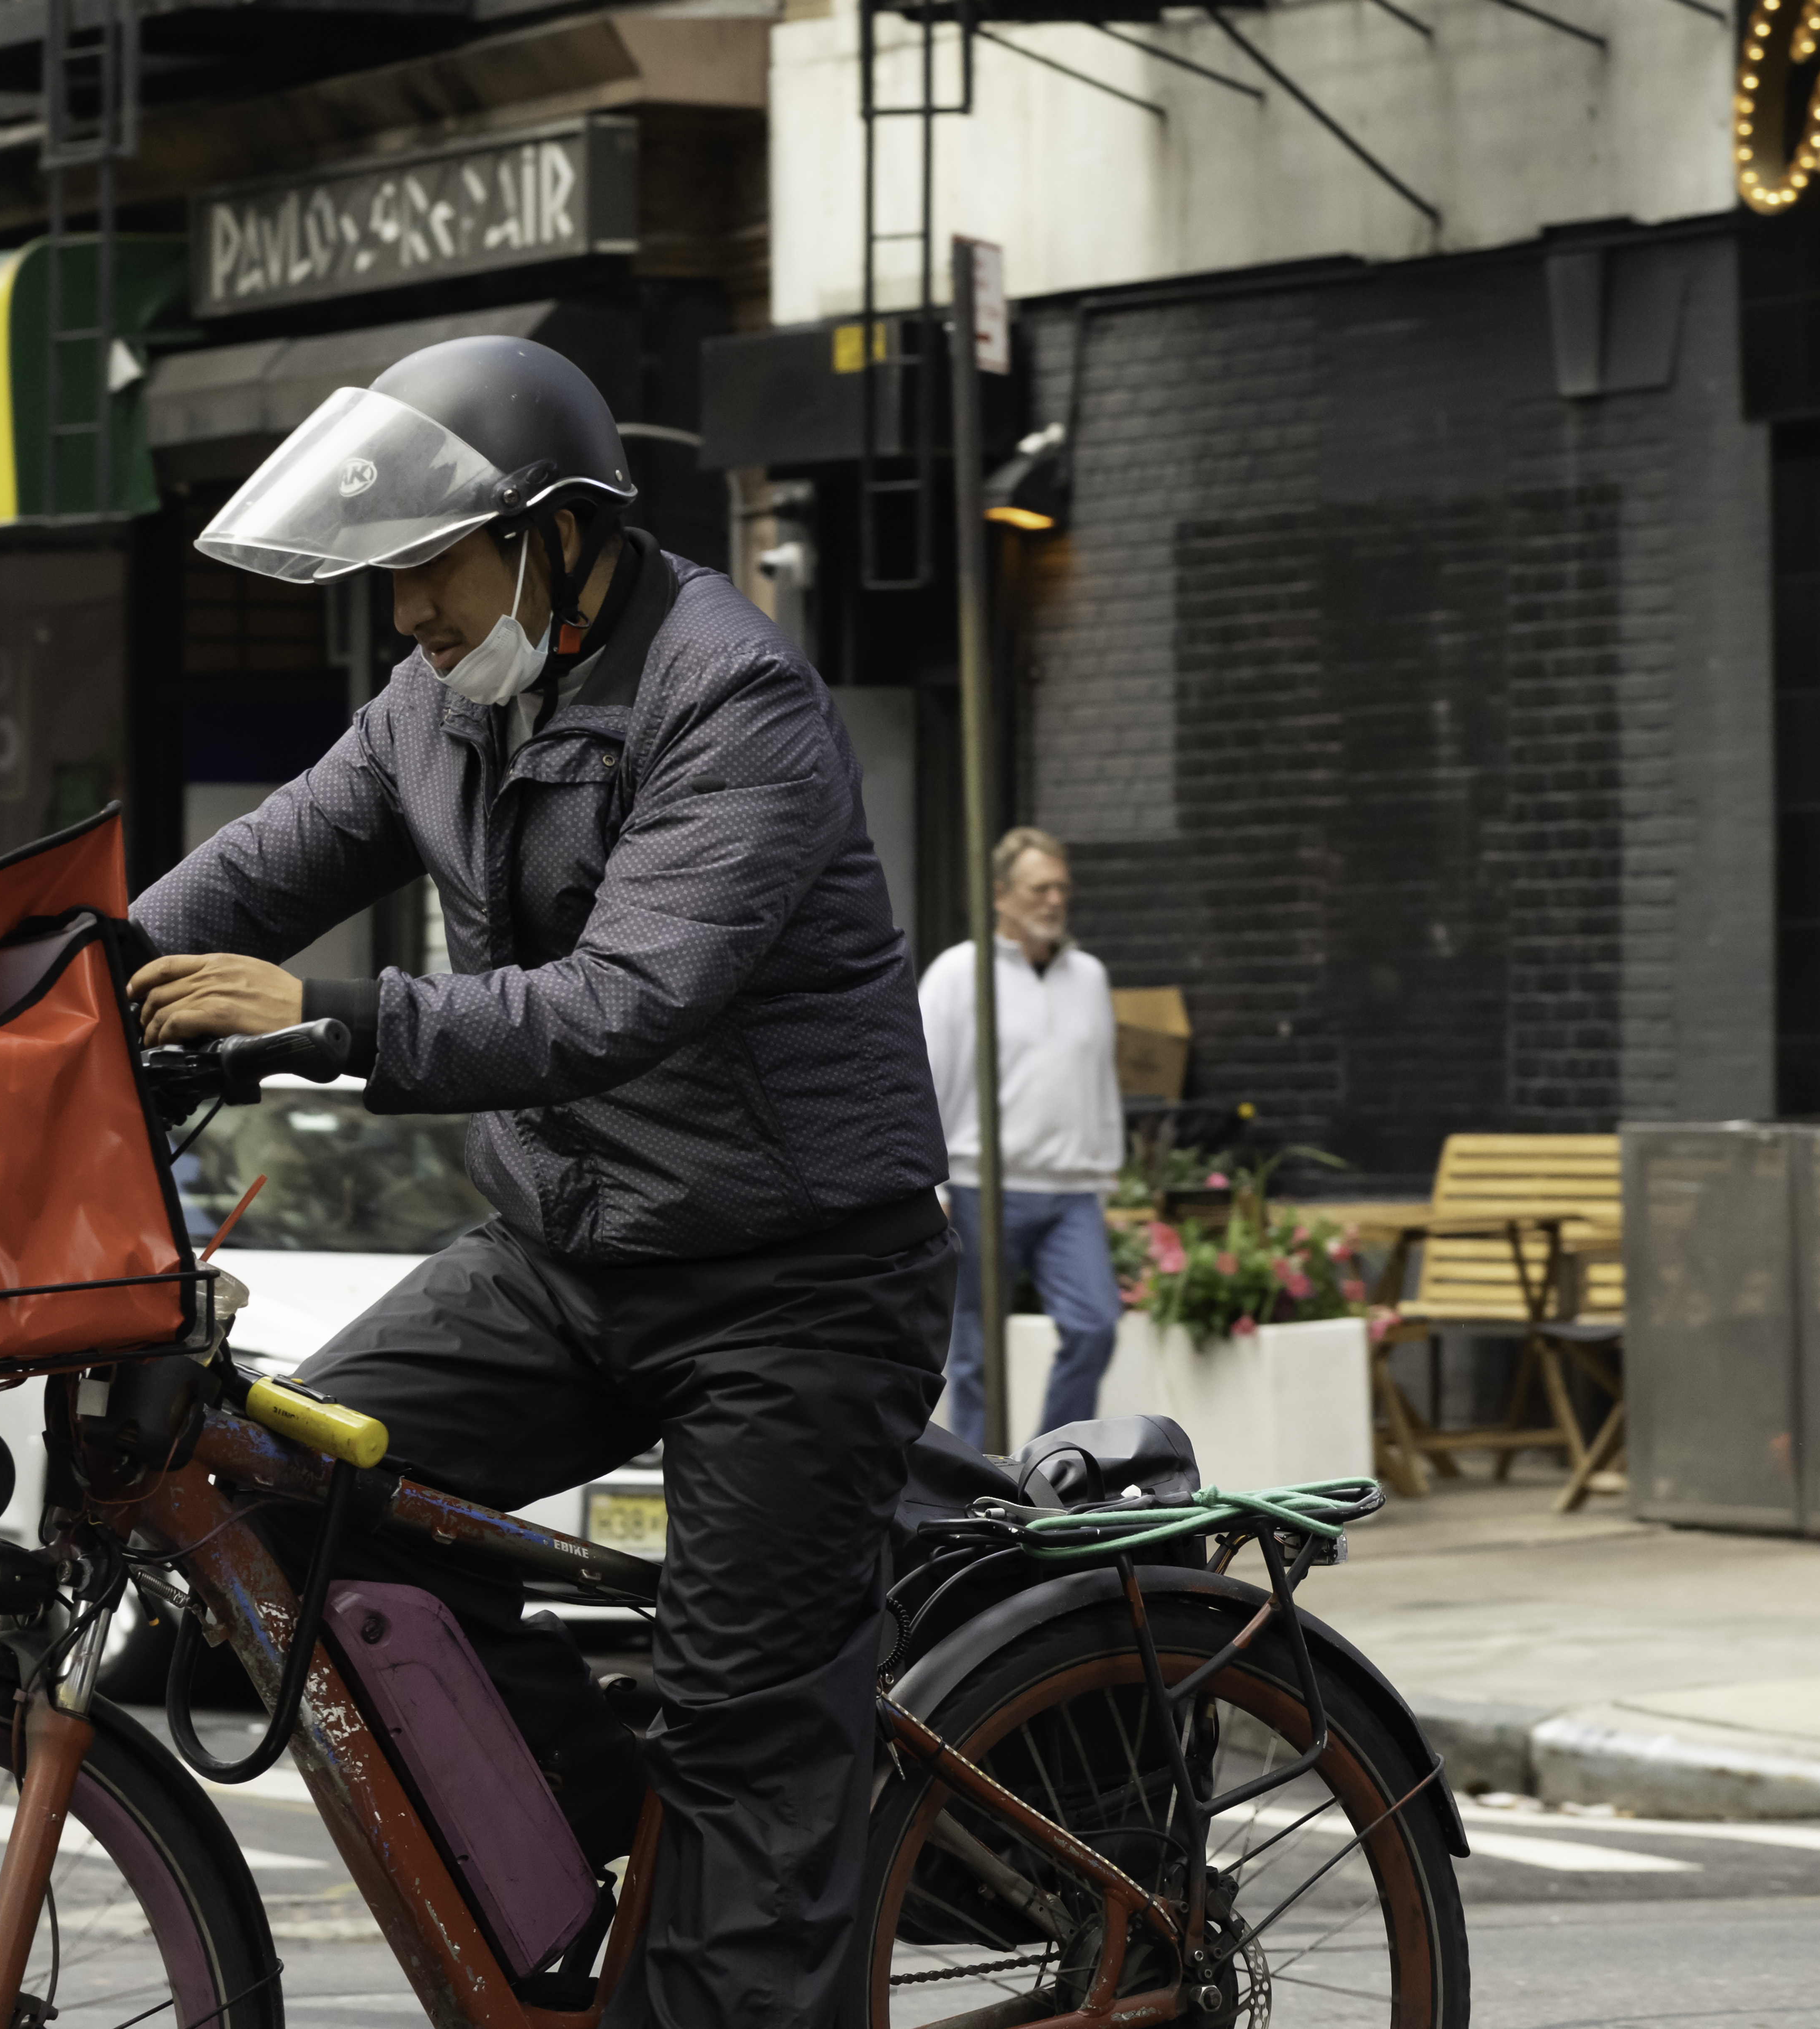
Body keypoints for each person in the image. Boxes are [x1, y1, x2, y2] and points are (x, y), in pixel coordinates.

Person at [129, 336, 953, 2029]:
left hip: (796, 1282)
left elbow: (620, 1003)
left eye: (429, 570)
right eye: (391, 582)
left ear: (556, 534)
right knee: (286, 1509)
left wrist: (334, 1019)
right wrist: (6, 986)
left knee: (744, 1736)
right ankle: (637, 1826)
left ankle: (728, 1861)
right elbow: (244, 878)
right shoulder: (436, 707)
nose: (408, 616)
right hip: (566, 1252)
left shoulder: (730, 698)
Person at [919, 826, 1125, 1446]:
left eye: (1063, 888)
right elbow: (923, 1079)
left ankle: (1052, 1471)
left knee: (1095, 1326)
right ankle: (982, 1490)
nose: (1055, 901)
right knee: (976, 1355)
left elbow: (1102, 1083)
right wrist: (933, 1185)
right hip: (983, 1186)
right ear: (1002, 895)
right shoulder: (960, 973)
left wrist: (1106, 1175)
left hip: (1071, 1192)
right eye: (1040, 888)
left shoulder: (1089, 976)